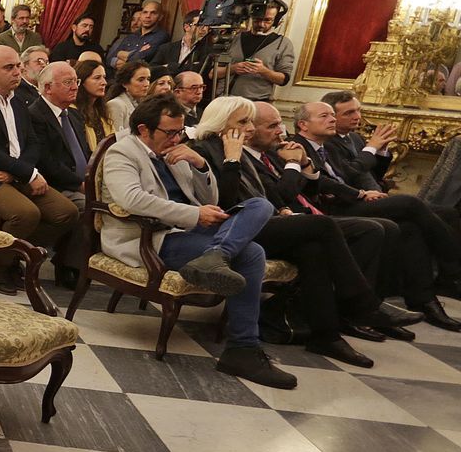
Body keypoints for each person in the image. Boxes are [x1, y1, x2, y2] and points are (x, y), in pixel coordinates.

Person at [188, 97, 412, 363]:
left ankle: (326, 336)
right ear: (222, 124)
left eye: (250, 121)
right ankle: (363, 304)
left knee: (314, 248)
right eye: (243, 122)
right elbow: (224, 201)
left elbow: (268, 191)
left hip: (267, 221)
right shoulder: (205, 149)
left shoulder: (239, 147)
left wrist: (284, 201)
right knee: (323, 225)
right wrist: (232, 160)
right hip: (233, 230)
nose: (249, 128)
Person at [101, 94, 295, 388]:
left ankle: (217, 255)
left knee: (260, 206)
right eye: (170, 132)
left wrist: (201, 165)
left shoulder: (176, 151)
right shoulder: (122, 153)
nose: (177, 138)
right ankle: (242, 348)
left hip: (189, 231)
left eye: (180, 131)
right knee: (252, 253)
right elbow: (131, 199)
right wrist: (194, 215)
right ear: (144, 130)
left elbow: (211, 200)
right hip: (152, 237)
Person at [294, 100, 461, 330]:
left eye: (333, 115)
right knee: (409, 203)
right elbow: (325, 181)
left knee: (409, 227)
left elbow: (349, 173)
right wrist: (360, 193)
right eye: (325, 116)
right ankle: (454, 260)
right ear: (303, 124)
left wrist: (376, 159)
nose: (331, 119)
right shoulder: (298, 145)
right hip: (336, 208)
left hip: (353, 199)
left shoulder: (331, 143)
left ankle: (422, 300)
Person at [0, 45, 80, 293]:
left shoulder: (18, 103)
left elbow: (33, 144)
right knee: (27, 213)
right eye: (9, 68)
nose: (17, 72)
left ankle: (13, 253)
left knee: (67, 212)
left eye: (18, 66)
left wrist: (19, 172)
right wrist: (28, 174)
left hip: (12, 175)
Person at [29, 62, 95, 288]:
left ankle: (76, 260)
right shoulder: (35, 115)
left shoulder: (74, 116)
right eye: (68, 82)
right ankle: (68, 265)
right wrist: (79, 184)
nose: (75, 87)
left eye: (76, 81)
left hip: (80, 181)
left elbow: (85, 153)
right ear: (47, 88)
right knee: (86, 206)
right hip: (52, 183)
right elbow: (46, 161)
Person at [216, 2, 293, 101]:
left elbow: (283, 79)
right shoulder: (234, 38)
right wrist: (233, 68)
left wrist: (263, 71)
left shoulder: (283, 43)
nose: (261, 24)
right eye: (258, 19)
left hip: (257, 103)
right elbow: (212, 73)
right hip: (224, 100)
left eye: (267, 20)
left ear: (277, 21)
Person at [73, 58, 111, 151]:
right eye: (97, 78)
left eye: (104, 77)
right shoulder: (72, 112)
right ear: (81, 81)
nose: (104, 83)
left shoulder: (102, 110)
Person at [106, 60, 152, 134]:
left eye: (148, 79)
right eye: (141, 80)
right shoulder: (116, 105)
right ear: (125, 83)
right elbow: (115, 139)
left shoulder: (142, 105)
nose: (146, 84)